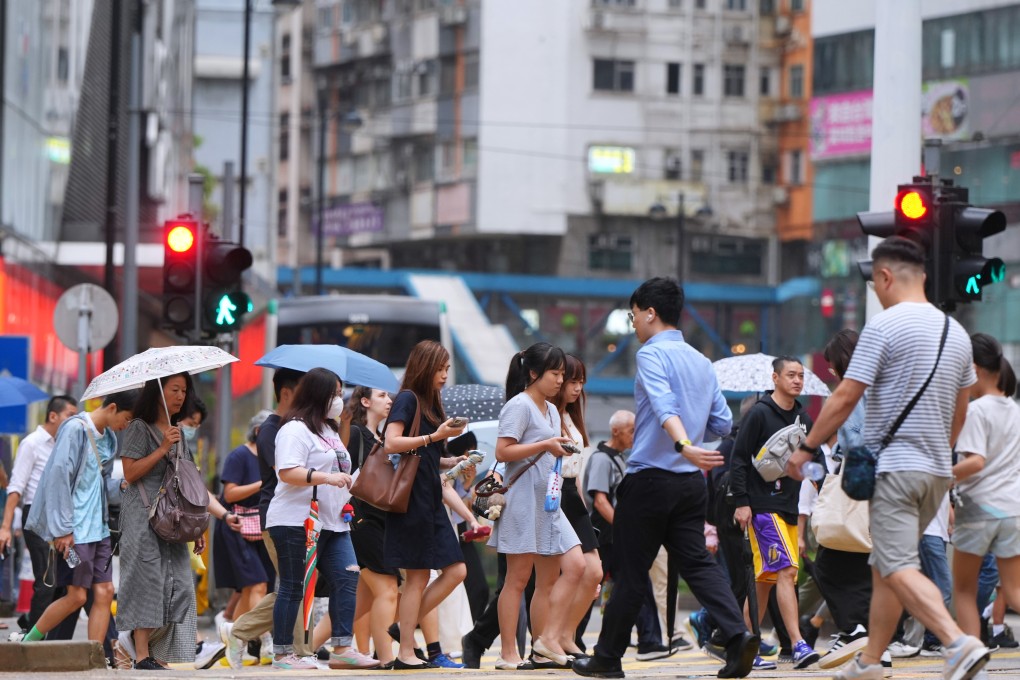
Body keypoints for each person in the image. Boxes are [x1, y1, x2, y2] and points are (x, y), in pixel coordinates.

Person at [787, 236, 989, 680]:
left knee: (895, 564)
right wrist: (938, 456)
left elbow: (844, 398)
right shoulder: (955, 332)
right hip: (937, 472)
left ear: (885, 276)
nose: (876, 293)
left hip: (895, 469)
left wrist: (804, 449)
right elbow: (960, 412)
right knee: (887, 565)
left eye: (875, 285)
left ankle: (957, 643)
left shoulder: (884, 327)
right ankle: (870, 661)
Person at [573, 277, 756, 680]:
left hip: (652, 480)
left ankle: (607, 658)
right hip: (691, 485)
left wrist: (681, 443)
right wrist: (690, 444)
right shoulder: (701, 362)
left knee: (631, 571)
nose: (633, 322)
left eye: (633, 314)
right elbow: (723, 422)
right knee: (698, 564)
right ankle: (738, 634)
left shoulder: (651, 355)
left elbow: (662, 403)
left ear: (650, 313)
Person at [117, 373, 240, 670]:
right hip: (143, 516)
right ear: (157, 392)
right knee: (148, 584)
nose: (181, 396)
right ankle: (142, 654)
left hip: (173, 519)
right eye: (174, 389)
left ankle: (157, 653)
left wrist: (196, 525)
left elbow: (187, 481)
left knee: (181, 586)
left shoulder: (177, 431)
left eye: (184, 390)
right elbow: (130, 474)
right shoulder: (138, 428)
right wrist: (161, 448)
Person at [267, 367, 378, 671]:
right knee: (293, 586)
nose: (339, 399)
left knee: (348, 576)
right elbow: (287, 472)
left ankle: (342, 647)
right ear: (318, 395)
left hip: (333, 521)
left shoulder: (328, 431)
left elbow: (341, 467)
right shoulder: (294, 429)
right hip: (295, 521)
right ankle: (282, 654)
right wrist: (327, 478)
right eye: (334, 394)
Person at [490, 342, 583, 671]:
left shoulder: (552, 409)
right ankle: (508, 652)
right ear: (533, 373)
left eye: (562, 374)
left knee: (567, 570)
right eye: (555, 373)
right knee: (518, 578)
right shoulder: (520, 406)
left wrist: (557, 447)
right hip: (523, 499)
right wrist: (546, 443)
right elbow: (502, 452)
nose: (561, 380)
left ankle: (543, 644)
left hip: (548, 499)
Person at [19, 392, 137, 646]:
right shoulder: (75, 429)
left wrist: (122, 487)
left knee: (105, 592)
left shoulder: (110, 440)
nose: (126, 426)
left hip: (100, 528)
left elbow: (102, 484)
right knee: (76, 596)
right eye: (127, 419)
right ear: (113, 407)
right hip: (76, 529)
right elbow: (58, 477)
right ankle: (28, 641)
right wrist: (62, 529)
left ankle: (92, 658)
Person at [382, 340, 469, 669]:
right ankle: (405, 652)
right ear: (425, 367)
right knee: (418, 578)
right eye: (441, 368)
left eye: (447, 369)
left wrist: (453, 461)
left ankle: (403, 627)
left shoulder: (431, 404)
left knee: (456, 570)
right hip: (412, 499)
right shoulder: (407, 399)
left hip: (429, 497)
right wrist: (434, 437)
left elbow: (427, 457)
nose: (445, 375)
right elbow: (392, 442)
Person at [729, 355, 818, 671]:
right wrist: (742, 502)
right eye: (791, 375)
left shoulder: (803, 418)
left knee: (764, 580)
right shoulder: (759, 415)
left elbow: (813, 459)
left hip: (789, 508)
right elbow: (738, 459)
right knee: (787, 572)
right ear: (775, 378)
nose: (797, 380)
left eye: (801, 375)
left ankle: (744, 646)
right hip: (763, 508)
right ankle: (798, 643)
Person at [223, 368, 309, 668]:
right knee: (291, 586)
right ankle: (241, 630)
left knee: (294, 585)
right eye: (303, 390)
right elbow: (285, 473)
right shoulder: (271, 430)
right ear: (286, 393)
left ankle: (298, 649)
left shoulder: (293, 426)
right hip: (279, 514)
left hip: (298, 515)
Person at [808, 330, 876, 671]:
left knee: (827, 565)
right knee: (864, 566)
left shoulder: (854, 389)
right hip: (889, 483)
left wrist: (833, 450)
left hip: (861, 478)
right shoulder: (883, 382)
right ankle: (873, 644)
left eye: (833, 365)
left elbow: (858, 437)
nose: (831, 371)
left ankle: (854, 630)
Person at [951, 333, 1020, 650]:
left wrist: (943, 475)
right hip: (1012, 508)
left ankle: (972, 660)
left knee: (964, 589)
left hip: (979, 508)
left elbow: (976, 462)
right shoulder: (1014, 410)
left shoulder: (976, 411)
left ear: (975, 370)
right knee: (1015, 592)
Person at [583, 410, 667, 660]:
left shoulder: (620, 458)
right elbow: (600, 501)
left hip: (617, 533)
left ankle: (649, 640)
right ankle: (571, 636)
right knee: (590, 587)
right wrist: (624, 527)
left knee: (636, 582)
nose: (635, 435)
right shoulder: (601, 459)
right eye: (631, 430)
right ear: (616, 431)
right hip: (606, 535)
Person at [0, 396, 78, 634]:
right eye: (69, 415)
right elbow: (16, 487)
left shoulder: (65, 444)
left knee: (66, 584)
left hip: (62, 520)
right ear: (53, 416)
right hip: (36, 517)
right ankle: (32, 639)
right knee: (47, 581)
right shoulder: (32, 443)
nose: (73, 421)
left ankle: (30, 625)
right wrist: (5, 527)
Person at [553, 354, 605, 657]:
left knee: (594, 572)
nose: (576, 387)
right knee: (570, 572)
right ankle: (555, 637)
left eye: (580, 381)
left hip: (572, 495)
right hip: (553, 492)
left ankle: (566, 635)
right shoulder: (547, 414)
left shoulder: (572, 416)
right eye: (572, 381)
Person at [346, 386, 399, 669]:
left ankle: (315, 647)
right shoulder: (356, 433)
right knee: (388, 587)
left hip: (380, 518)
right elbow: (342, 471)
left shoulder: (383, 437)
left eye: (389, 396)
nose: (389, 400)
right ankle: (386, 658)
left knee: (363, 600)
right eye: (381, 396)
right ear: (365, 401)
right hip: (361, 518)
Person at [214, 411, 275, 626]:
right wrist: (263, 483)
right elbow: (229, 494)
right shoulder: (239, 455)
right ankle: (264, 638)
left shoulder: (272, 459)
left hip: (262, 527)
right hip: (237, 526)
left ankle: (235, 638)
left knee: (259, 587)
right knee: (257, 584)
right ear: (259, 432)